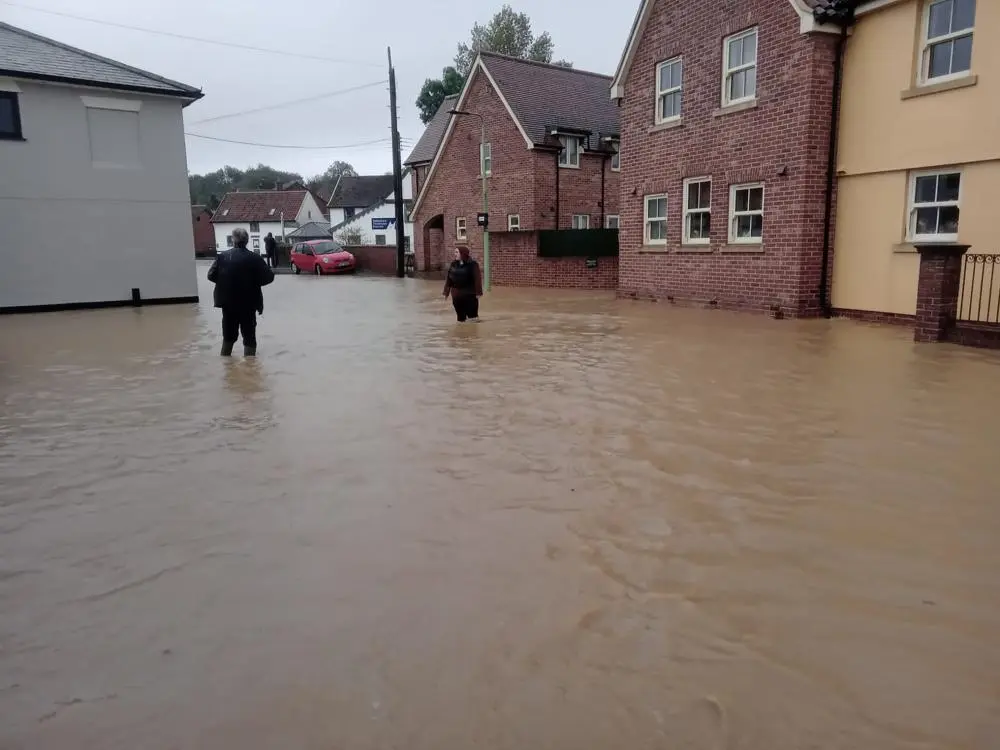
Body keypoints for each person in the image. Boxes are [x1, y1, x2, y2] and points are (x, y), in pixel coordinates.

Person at [208, 228, 275, 356]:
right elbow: (269, 277)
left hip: (228, 304)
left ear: (233, 240)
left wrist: (224, 281)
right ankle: (250, 368)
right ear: (247, 240)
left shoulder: (222, 257)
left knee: (228, 336)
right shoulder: (255, 258)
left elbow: (210, 275)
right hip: (249, 303)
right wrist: (254, 282)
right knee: (249, 337)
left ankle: (226, 365)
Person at [443, 245, 482, 322]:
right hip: (457, 297)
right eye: (455, 252)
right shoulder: (453, 264)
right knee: (460, 319)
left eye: (457, 252)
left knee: (473, 318)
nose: (455, 254)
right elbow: (449, 278)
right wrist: (446, 292)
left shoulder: (472, 264)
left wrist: (478, 292)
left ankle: (472, 333)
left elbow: (477, 279)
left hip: (469, 295)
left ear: (463, 253)